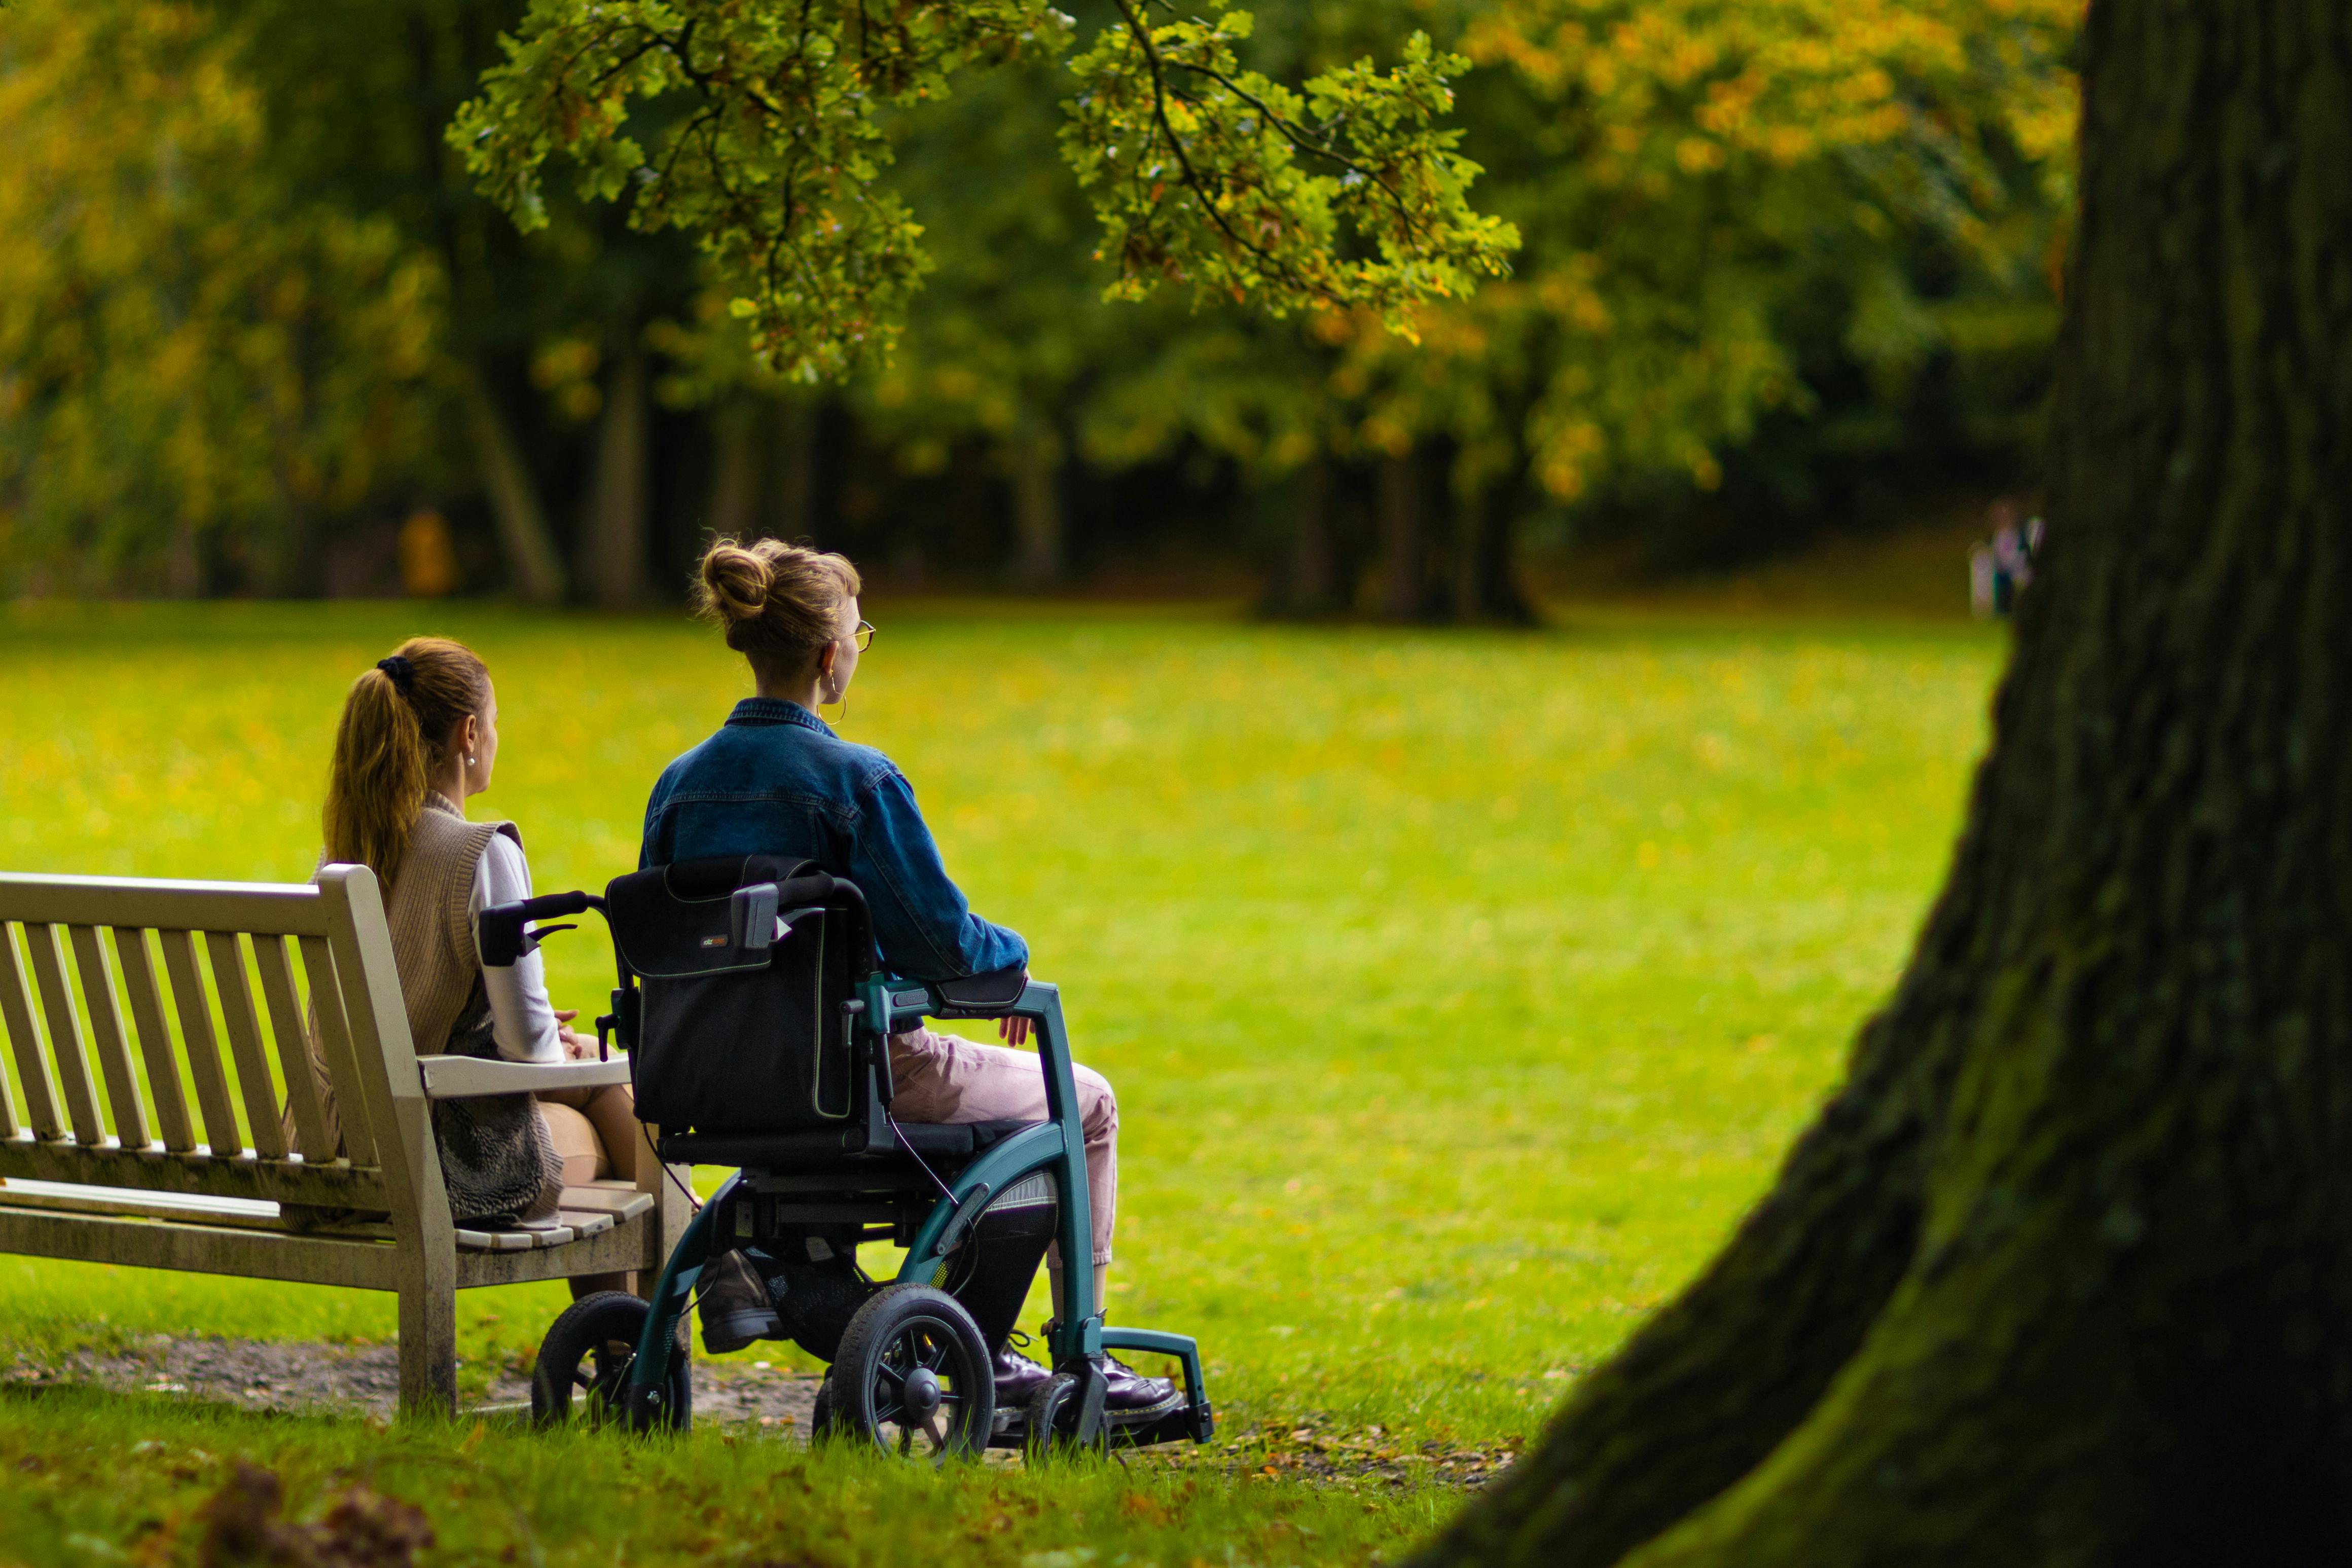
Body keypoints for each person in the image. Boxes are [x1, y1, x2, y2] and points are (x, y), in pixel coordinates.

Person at [643, 536, 1176, 1417]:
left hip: (718, 1081)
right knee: (1084, 1102)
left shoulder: (678, 787)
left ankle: (824, 1281)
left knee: (1027, 1102)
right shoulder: (856, 780)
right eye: (861, 631)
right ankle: (1073, 1351)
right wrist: (1015, 962)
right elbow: (943, 944)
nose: (861, 644)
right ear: (829, 655)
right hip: (866, 1078)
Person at [294, 636, 639, 1297]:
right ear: (469, 733)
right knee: (615, 1100)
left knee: (591, 1082)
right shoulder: (482, 854)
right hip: (439, 1168)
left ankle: (644, 1332)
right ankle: (643, 1351)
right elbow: (527, 1050)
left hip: (332, 1153)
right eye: (497, 723)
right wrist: (568, 1048)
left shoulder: (337, 857)